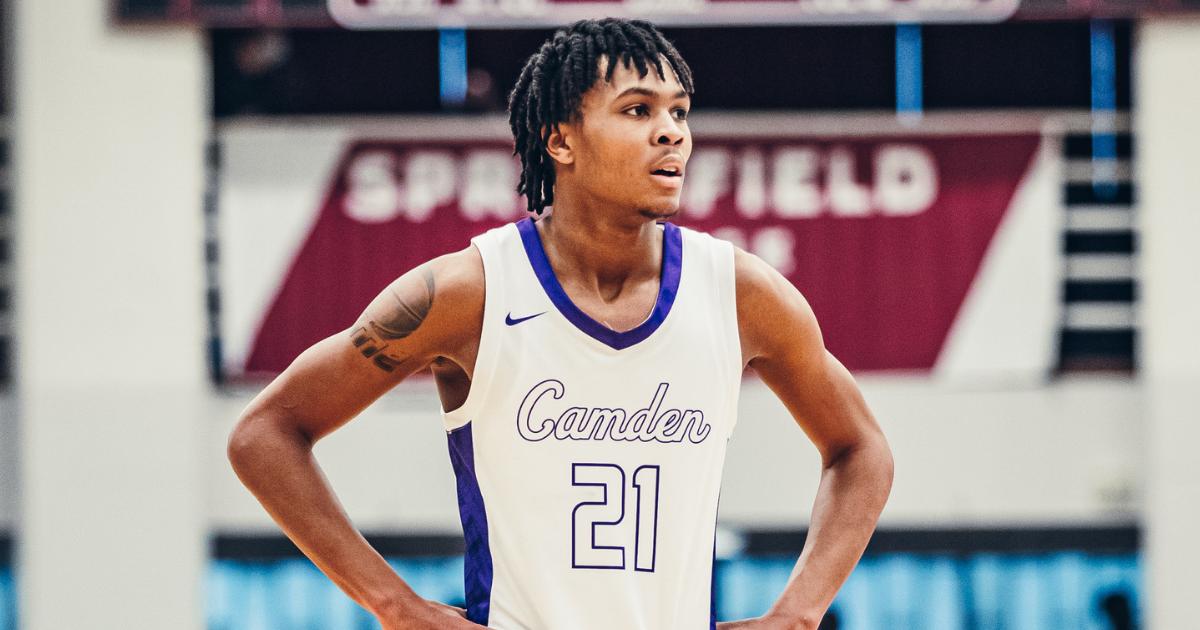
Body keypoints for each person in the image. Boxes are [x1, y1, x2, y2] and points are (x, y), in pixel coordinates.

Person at [228, 18, 893, 630]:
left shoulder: (740, 293)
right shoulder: (469, 292)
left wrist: (798, 613)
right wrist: (394, 605)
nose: (672, 132)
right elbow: (265, 434)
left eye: (679, 112)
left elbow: (861, 449)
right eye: (638, 110)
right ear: (560, 139)